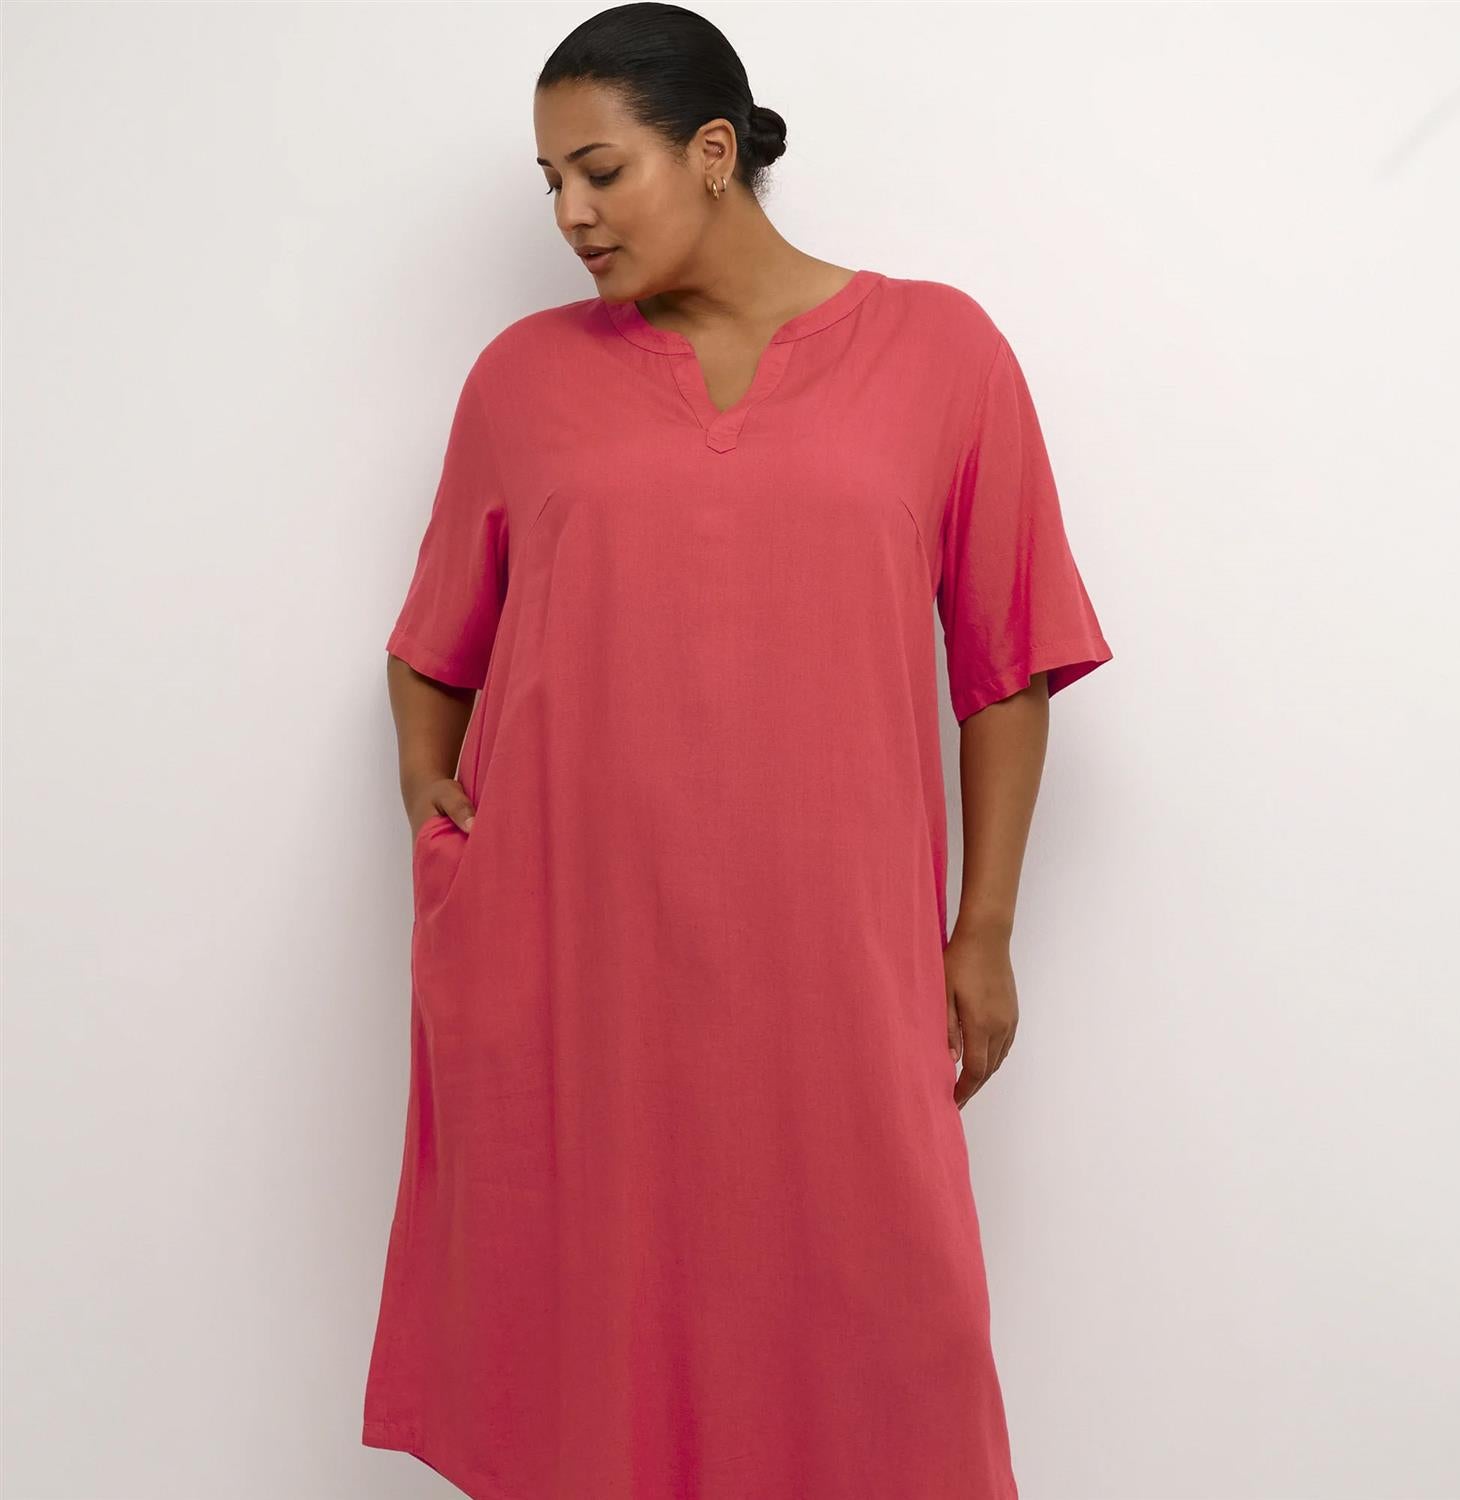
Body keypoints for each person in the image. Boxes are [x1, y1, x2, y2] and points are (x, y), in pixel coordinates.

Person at [362, 4, 1114, 1495]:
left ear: (714, 153)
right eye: (550, 183)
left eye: (600, 171)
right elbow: (431, 643)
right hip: (579, 958)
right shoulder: (522, 379)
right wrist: (427, 803)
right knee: (597, 1335)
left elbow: (1009, 665)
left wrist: (983, 930)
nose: (571, 215)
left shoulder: (940, 351)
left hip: (832, 961)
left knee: (888, 1315)